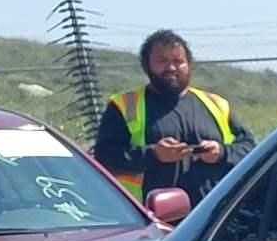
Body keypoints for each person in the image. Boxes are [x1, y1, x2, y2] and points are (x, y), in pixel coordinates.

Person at [94, 29, 251, 205]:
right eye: (162, 61)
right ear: (147, 66)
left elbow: (249, 149)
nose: (171, 68)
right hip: (151, 220)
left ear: (189, 64)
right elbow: (104, 157)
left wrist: (221, 153)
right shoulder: (124, 105)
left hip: (213, 217)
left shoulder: (216, 104)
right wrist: (153, 154)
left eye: (178, 61)